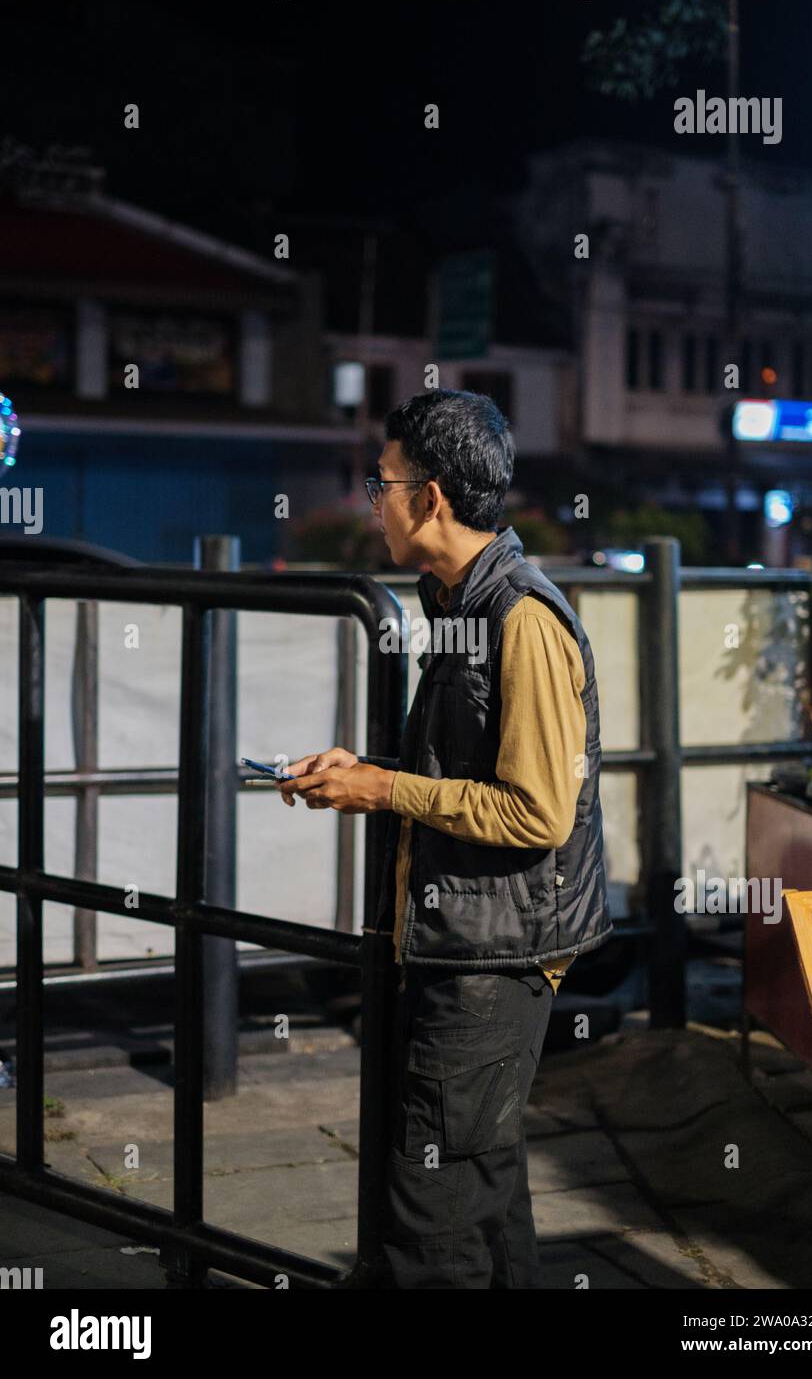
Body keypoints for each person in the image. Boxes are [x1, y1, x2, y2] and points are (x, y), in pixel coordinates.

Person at [278, 389, 612, 1288]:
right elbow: (462, 763)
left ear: (430, 498)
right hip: (469, 938)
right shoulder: (462, 597)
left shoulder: (523, 620)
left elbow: (536, 812)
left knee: (432, 1214)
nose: (371, 501)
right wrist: (365, 771)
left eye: (379, 483)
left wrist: (385, 786)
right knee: (485, 1186)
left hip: (495, 958)